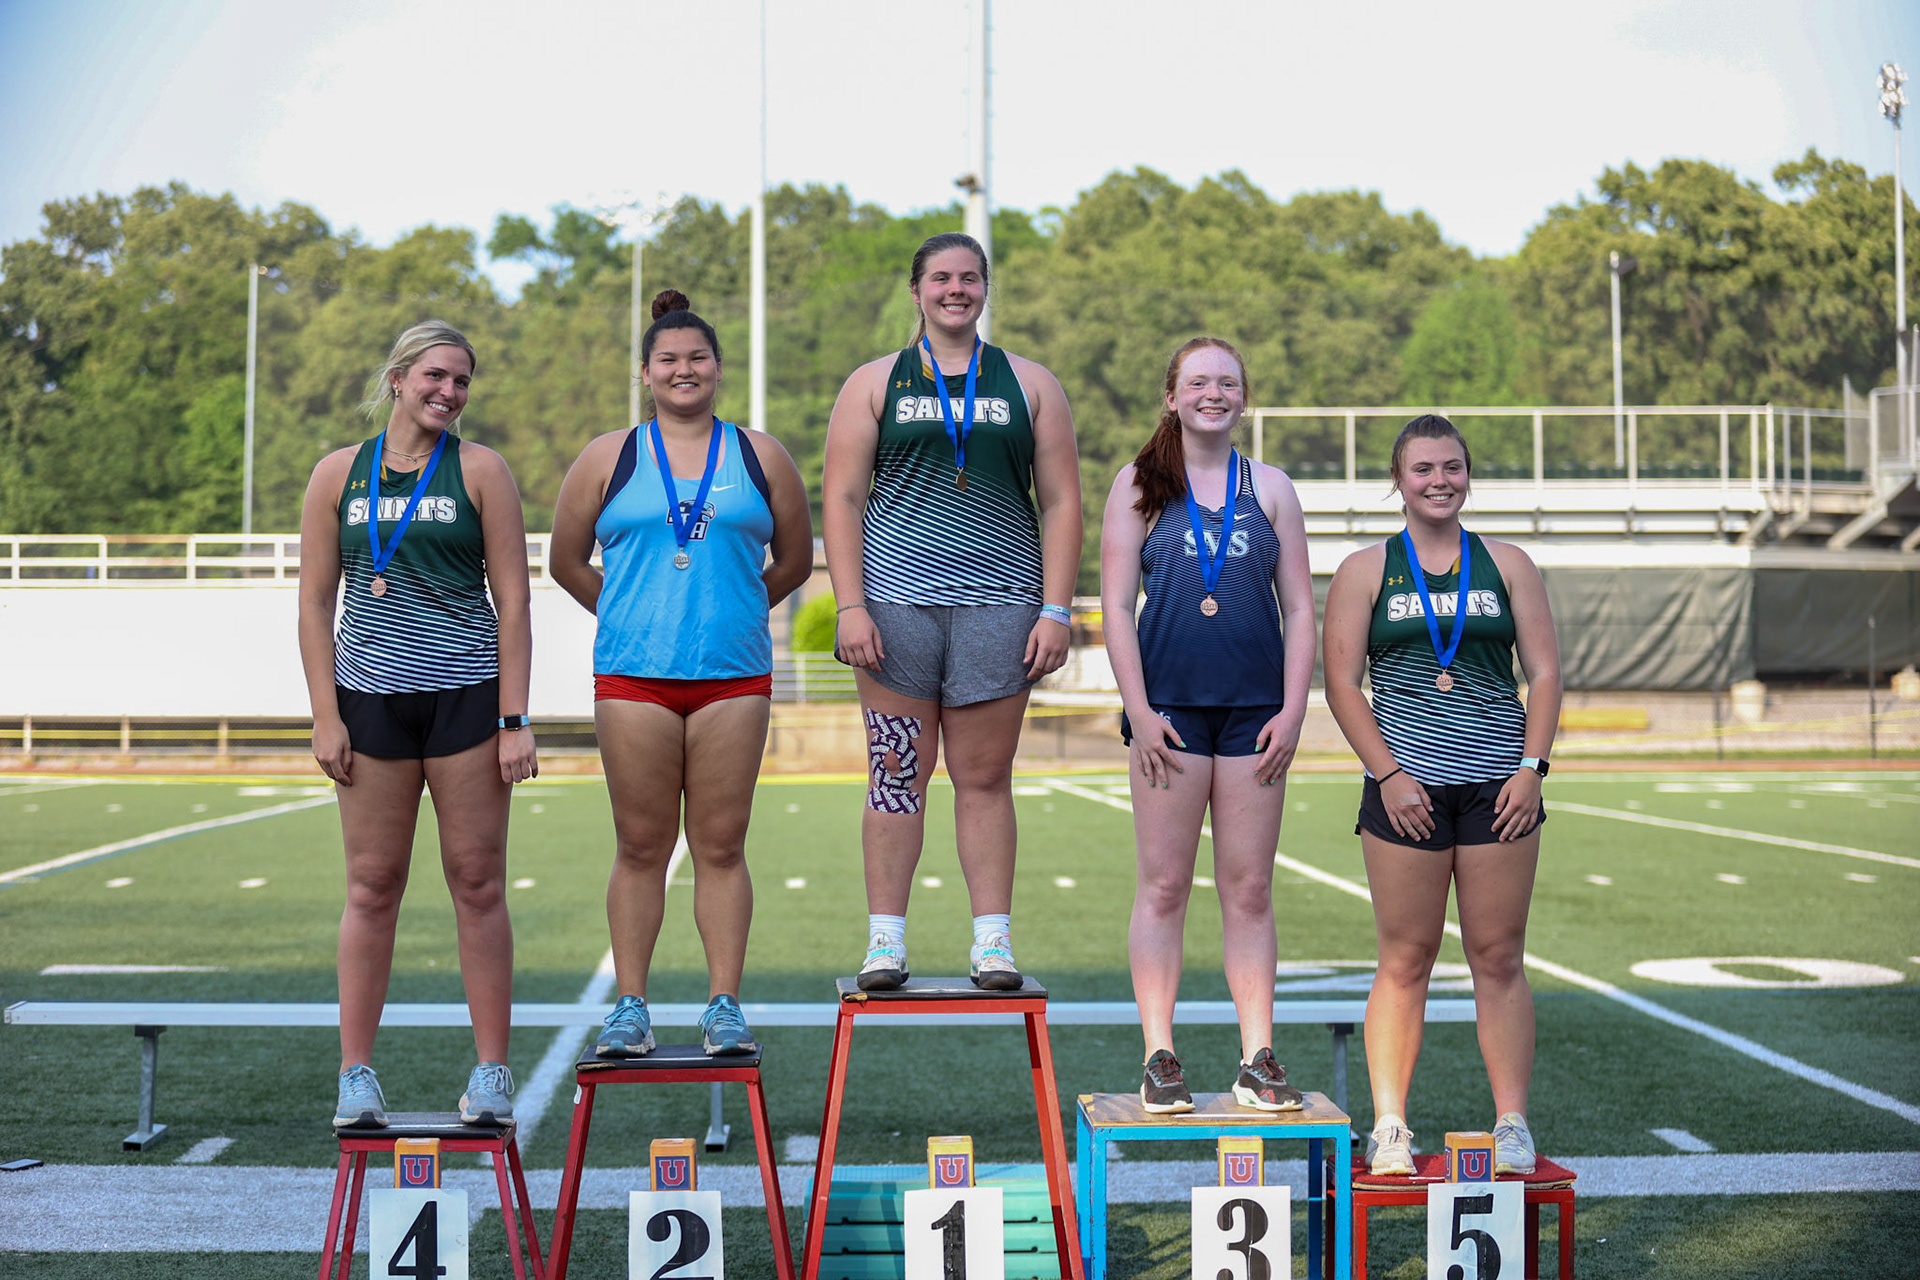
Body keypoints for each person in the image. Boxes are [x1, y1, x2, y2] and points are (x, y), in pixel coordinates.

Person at [550, 290, 812, 1058]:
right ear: (645, 373)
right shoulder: (610, 455)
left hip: (732, 677)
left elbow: (795, 558)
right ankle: (630, 1006)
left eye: (697, 357)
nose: (684, 369)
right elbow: (565, 560)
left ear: (719, 369)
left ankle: (723, 1005)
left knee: (721, 846)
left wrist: (735, 606)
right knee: (640, 846)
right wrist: (628, 611)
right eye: (669, 359)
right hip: (635, 678)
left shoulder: (760, 455)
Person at [822, 232, 1082, 991]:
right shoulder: (875, 381)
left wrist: (1056, 609)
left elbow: (1063, 500)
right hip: (896, 608)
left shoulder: (1031, 383)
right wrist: (849, 604)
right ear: (917, 290)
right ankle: (885, 943)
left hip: (1002, 608)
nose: (955, 290)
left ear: (985, 288)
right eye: (941, 278)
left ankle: (992, 941)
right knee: (895, 774)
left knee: (983, 776)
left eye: (969, 278)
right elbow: (839, 497)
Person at [298, 320, 537, 1128]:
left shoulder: (481, 470)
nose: (449, 392)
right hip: (369, 702)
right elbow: (313, 603)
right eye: (436, 375)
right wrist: (325, 715)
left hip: (465, 697)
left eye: (463, 381)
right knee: (371, 886)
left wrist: (515, 719)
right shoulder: (339, 472)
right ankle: (355, 1075)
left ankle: (493, 1073)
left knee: (477, 882)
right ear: (398, 377)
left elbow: (515, 602)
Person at [1322, 413, 1562, 1175]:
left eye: (1451, 467)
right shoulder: (1365, 570)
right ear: (1398, 480)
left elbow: (1547, 675)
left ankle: (1512, 1122)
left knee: (1498, 956)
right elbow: (1341, 684)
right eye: (1422, 468)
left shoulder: (1510, 564)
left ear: (1468, 475)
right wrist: (1388, 774)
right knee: (1405, 958)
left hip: (1500, 790)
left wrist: (1532, 768)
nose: (1438, 480)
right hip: (1406, 794)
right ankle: (1391, 1124)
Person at [1099, 337, 1316, 1114]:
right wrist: (1138, 710)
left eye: (1227, 382)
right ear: (1173, 396)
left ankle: (1258, 1056)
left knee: (1250, 888)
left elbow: (1299, 607)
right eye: (1198, 382)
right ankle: (1160, 1055)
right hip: (1171, 714)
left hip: (1257, 714)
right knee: (1162, 886)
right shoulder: (1138, 484)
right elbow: (1116, 609)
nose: (1213, 393)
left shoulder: (1275, 488)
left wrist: (1294, 711)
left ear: (1244, 398)